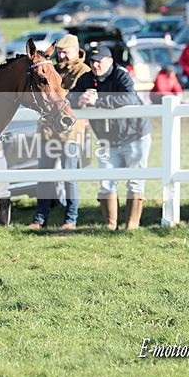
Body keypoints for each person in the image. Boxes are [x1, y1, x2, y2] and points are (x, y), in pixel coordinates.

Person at [69, 46, 152, 230]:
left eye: (99, 61)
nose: (95, 65)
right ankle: (110, 225)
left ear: (110, 61)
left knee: (135, 180)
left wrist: (98, 101)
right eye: (92, 61)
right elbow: (69, 98)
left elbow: (128, 98)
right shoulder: (86, 78)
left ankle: (132, 226)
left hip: (135, 135)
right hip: (107, 140)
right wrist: (79, 100)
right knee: (106, 181)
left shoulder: (121, 75)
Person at [27, 34, 90, 230]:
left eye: (66, 51)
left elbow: (77, 97)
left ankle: (71, 219)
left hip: (70, 132)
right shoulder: (49, 67)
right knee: (44, 176)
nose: (61, 55)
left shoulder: (84, 71)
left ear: (76, 51)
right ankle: (40, 218)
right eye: (60, 51)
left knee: (69, 176)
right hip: (48, 131)